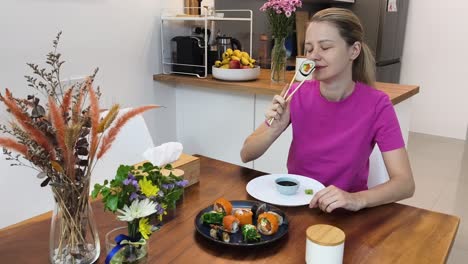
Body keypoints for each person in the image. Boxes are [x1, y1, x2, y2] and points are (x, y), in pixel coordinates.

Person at [240, 8, 415, 213]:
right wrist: (274, 130)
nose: (314, 56)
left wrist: (356, 199)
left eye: (325, 47)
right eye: (309, 49)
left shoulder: (378, 105)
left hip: (344, 212)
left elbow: (405, 184)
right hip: (299, 205)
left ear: (354, 50)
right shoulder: (296, 93)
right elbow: (246, 153)